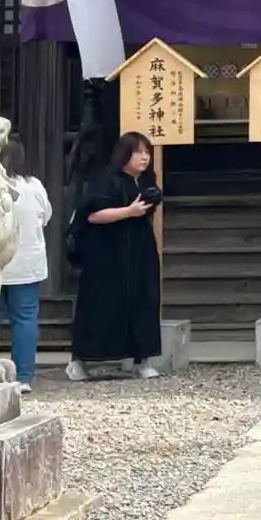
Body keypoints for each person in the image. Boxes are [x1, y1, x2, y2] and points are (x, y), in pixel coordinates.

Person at [66, 132, 163, 382]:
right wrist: (129, 211)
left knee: (143, 300)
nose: (144, 157)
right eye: (138, 152)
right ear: (124, 154)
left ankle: (143, 358)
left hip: (140, 250)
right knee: (99, 303)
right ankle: (79, 360)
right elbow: (93, 215)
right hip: (107, 252)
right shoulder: (106, 179)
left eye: (147, 152)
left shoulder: (146, 180)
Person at [0, 134, 53, 394]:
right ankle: (23, 376)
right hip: (27, 263)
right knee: (25, 319)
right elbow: (46, 217)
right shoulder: (34, 186)